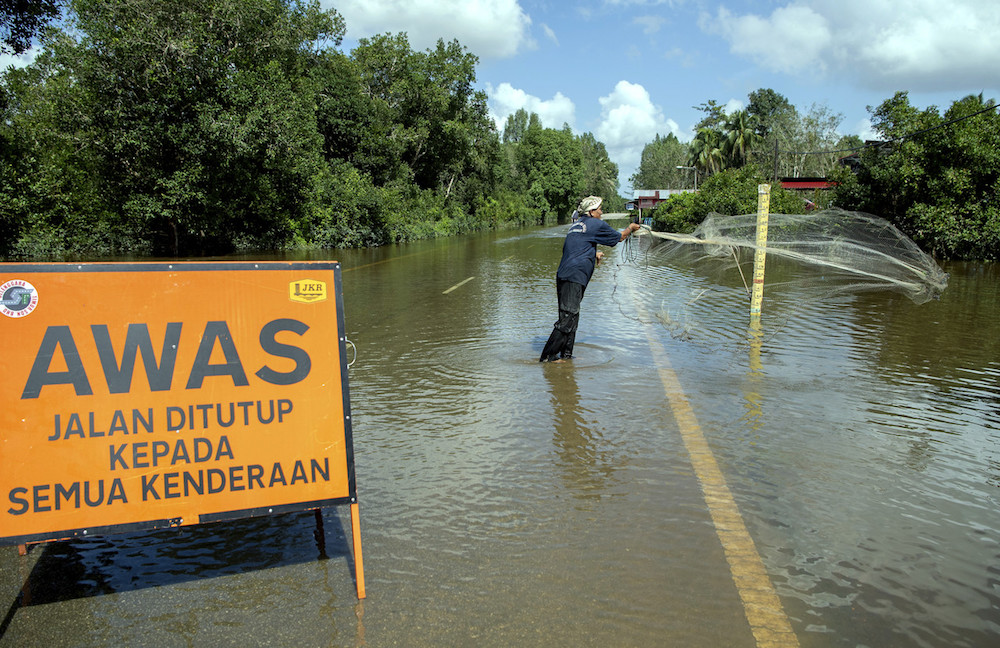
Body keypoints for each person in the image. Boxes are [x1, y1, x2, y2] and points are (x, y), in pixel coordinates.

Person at [539, 195, 641, 362]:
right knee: (568, 318)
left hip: (565, 275)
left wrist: (593, 254)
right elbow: (620, 237)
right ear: (592, 211)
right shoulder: (596, 224)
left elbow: (576, 248)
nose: (601, 212)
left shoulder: (576, 225)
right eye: (600, 209)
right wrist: (630, 228)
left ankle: (566, 356)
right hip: (574, 276)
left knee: (572, 316)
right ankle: (547, 357)